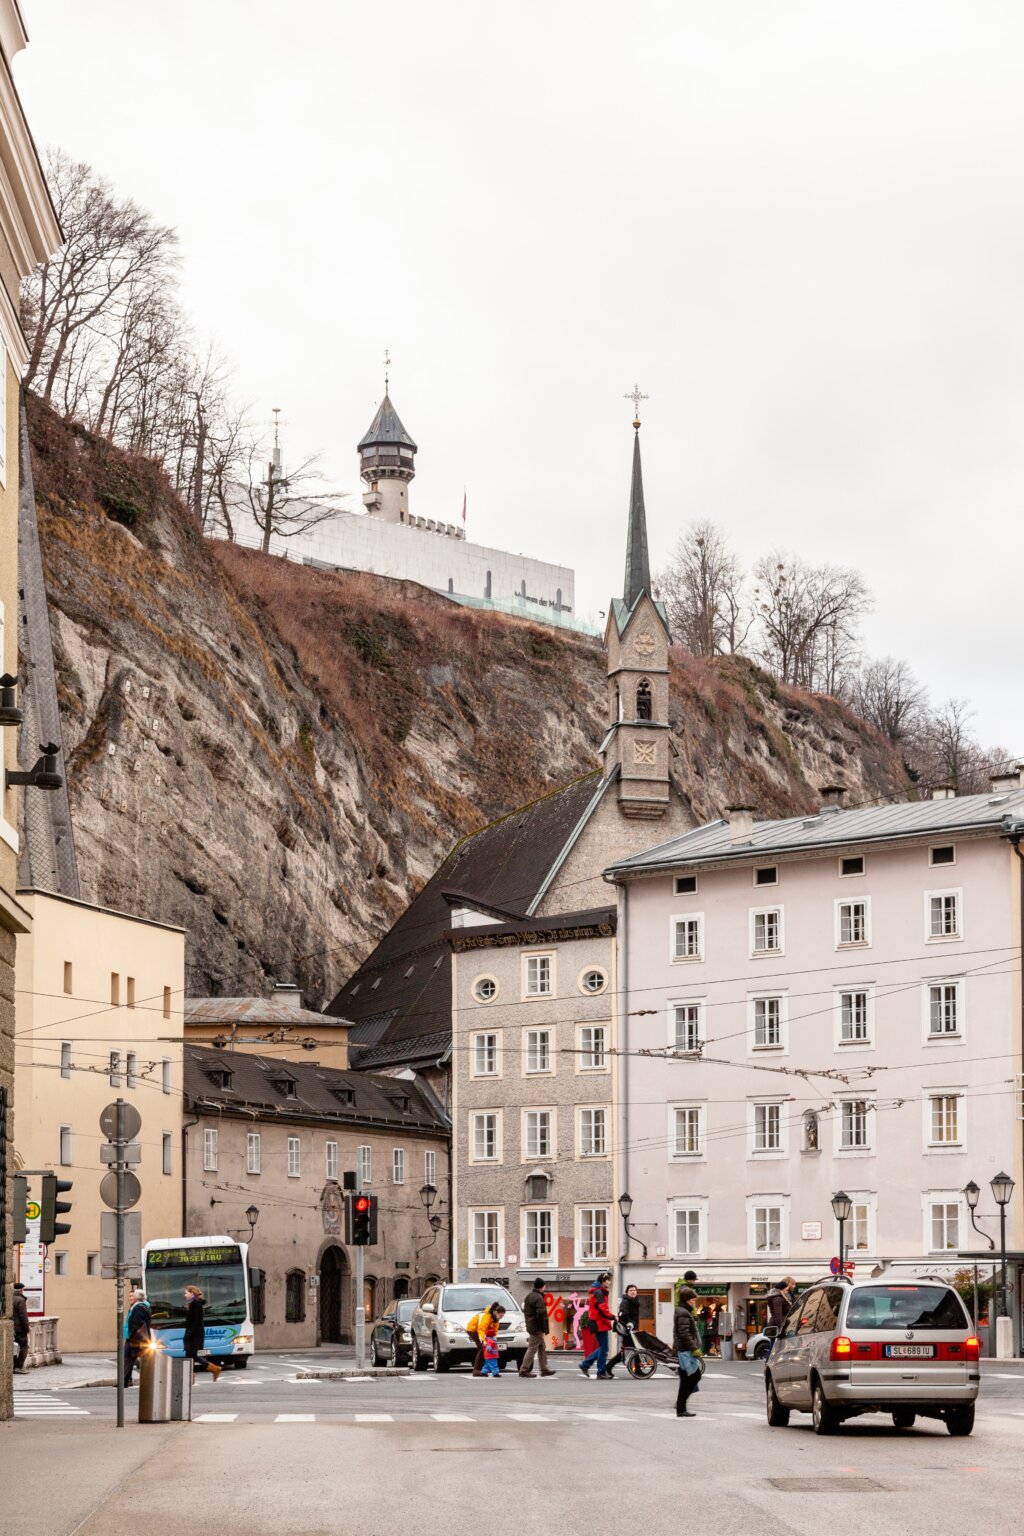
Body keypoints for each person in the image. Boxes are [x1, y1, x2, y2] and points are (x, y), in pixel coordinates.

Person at [673, 1286, 703, 1418]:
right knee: (693, 1377)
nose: (694, 1302)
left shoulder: (682, 1311)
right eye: (692, 1300)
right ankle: (681, 1406)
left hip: (684, 1350)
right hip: (685, 1351)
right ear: (686, 1299)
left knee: (686, 1379)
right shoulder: (683, 1312)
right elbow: (684, 1333)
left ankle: (681, 1408)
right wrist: (694, 1348)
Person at [579, 1271, 615, 1379]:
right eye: (608, 1280)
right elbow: (601, 1307)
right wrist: (611, 1316)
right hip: (599, 1322)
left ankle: (585, 1364)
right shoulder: (599, 1292)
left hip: (598, 1322)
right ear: (603, 1281)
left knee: (602, 1348)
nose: (609, 1282)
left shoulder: (597, 1291)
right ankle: (601, 1372)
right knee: (604, 1349)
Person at [183, 1284, 222, 1381]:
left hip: (194, 1336)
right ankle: (191, 1377)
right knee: (191, 1356)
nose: (185, 1295)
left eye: (186, 1293)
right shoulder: (193, 1303)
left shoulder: (196, 1304)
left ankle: (214, 1369)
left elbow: (197, 1322)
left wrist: (189, 1334)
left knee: (191, 1356)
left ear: (192, 1293)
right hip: (193, 1335)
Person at [519, 1278, 556, 1377]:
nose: (545, 1287)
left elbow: (526, 1311)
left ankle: (544, 1369)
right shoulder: (538, 1297)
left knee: (541, 1347)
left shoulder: (529, 1296)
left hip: (531, 1325)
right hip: (536, 1327)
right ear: (542, 1286)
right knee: (532, 1348)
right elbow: (541, 1313)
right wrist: (543, 1327)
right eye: (544, 1285)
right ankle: (524, 1370)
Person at [607, 1283, 641, 1372]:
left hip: (632, 1329)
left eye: (634, 1290)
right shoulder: (625, 1302)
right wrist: (630, 1323)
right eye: (631, 1290)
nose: (633, 1292)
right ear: (627, 1292)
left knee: (630, 1350)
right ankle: (637, 1369)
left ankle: (609, 1366)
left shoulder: (635, 1301)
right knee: (634, 1349)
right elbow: (623, 1314)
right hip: (627, 1330)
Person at [124, 1286, 152, 1388]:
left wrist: (131, 1335)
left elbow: (138, 1324)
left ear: (136, 1298)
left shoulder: (138, 1308)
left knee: (128, 1359)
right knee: (130, 1360)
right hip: (137, 1339)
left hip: (135, 1340)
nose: (131, 1298)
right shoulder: (143, 1307)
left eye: (133, 1296)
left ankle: (126, 1382)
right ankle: (126, 1381)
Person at [467, 1302, 505, 1376]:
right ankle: (476, 1371)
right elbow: (481, 1329)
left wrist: (493, 1340)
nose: (501, 1317)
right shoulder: (486, 1316)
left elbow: (494, 1331)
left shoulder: (495, 1319)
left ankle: (484, 1370)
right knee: (482, 1348)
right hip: (473, 1330)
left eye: (502, 1316)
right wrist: (484, 1341)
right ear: (496, 1312)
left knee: (485, 1350)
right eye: (500, 1315)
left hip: (481, 1331)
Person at [12, 1282, 29, 1373]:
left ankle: (13, 1365)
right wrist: (27, 1328)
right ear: (22, 1289)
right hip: (19, 1328)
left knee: (12, 1347)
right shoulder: (20, 1300)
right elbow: (23, 1316)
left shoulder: (9, 1298)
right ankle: (19, 1366)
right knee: (24, 1347)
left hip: (11, 1327)